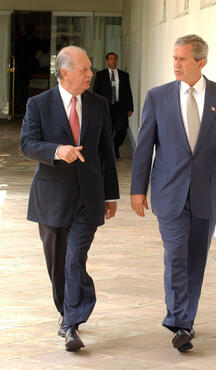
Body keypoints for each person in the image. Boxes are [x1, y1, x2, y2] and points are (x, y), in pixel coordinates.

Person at [130, 34, 216, 352]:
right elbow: (144, 147)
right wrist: (137, 189)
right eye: (174, 58)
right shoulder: (158, 97)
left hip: (207, 192)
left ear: (201, 62)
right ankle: (179, 322)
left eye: (182, 59)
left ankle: (187, 320)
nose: (176, 64)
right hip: (170, 193)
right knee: (176, 257)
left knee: (196, 260)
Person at [20, 46, 119, 352]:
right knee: (57, 264)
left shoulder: (98, 103)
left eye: (90, 68)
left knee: (75, 258)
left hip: (87, 198)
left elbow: (106, 152)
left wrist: (111, 194)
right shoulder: (38, 104)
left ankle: (72, 322)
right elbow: (27, 144)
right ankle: (69, 307)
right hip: (51, 198)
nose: (91, 74)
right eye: (84, 69)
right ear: (64, 73)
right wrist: (56, 150)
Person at [93, 52, 134, 159]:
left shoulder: (124, 75)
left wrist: (130, 107)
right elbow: (95, 92)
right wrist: (96, 108)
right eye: (111, 59)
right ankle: (110, 150)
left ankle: (114, 146)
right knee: (107, 130)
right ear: (107, 61)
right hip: (105, 108)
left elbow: (128, 92)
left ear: (117, 60)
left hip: (120, 107)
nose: (113, 61)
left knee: (122, 129)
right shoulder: (100, 75)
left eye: (115, 59)